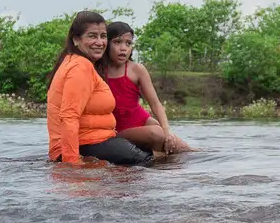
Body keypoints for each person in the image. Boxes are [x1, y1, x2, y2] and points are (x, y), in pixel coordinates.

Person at [46, 11, 153, 166]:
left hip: (93, 141)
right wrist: (72, 164)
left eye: (103, 36)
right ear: (76, 39)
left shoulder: (78, 63)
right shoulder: (80, 67)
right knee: (148, 162)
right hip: (85, 145)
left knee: (152, 153)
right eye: (92, 36)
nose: (100, 42)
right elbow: (69, 117)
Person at [100, 22, 192, 155]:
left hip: (141, 119)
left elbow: (155, 103)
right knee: (157, 134)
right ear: (107, 43)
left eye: (128, 43)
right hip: (119, 128)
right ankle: (157, 158)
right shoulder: (99, 71)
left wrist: (167, 132)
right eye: (117, 42)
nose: (123, 48)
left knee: (183, 148)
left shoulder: (137, 69)